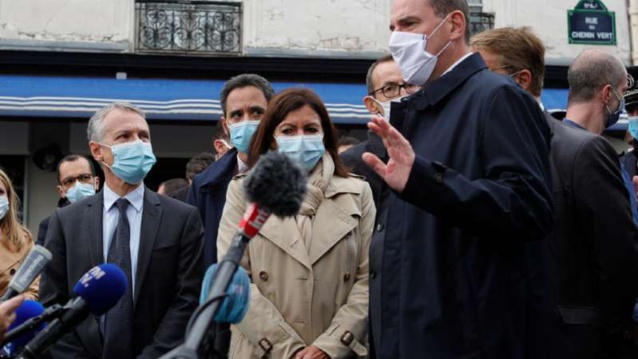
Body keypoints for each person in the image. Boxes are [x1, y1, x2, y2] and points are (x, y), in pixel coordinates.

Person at [361, 1, 554, 358]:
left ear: (454, 25)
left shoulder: (497, 97)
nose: (397, 39)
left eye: (409, 24)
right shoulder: (422, 109)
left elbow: (529, 208)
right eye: (393, 28)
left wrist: (424, 180)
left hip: (465, 342)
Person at [472, 26, 638, 359]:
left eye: (481, 75)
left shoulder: (578, 150)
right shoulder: (470, 147)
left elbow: (617, 259)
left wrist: (610, 334)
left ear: (520, 80)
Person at [217, 88, 375, 359]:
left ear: (325, 134)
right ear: (273, 139)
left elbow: (369, 279)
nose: (300, 138)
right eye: (289, 131)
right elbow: (232, 277)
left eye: (310, 129)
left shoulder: (358, 192)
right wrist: (287, 348)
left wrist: (329, 346)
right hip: (262, 350)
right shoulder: (243, 192)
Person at [40, 102, 204, 359]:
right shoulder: (65, 221)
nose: (137, 143)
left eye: (143, 136)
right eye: (124, 136)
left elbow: (188, 299)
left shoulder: (182, 218)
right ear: (98, 151)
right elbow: (52, 302)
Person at [187, 73, 275, 268]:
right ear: (226, 126)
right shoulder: (204, 186)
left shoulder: (299, 176)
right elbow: (194, 259)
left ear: (272, 118)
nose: (247, 121)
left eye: (256, 112)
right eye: (237, 115)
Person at [562, 49, 638, 226]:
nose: (633, 116)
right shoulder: (601, 158)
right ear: (608, 94)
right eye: (629, 109)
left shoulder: (546, 144)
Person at [342, 54, 420, 203]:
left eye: (410, 85)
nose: (404, 95)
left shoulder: (442, 150)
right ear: (372, 104)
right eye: (389, 89)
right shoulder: (351, 162)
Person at [36, 154, 100, 246]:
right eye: (69, 181)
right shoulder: (50, 225)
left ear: (96, 182)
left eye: (84, 178)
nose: (78, 185)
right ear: (61, 191)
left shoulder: (112, 215)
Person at [0, 169, 39, 301]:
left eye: (0, 192)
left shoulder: (23, 239)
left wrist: (8, 305)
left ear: (9, 198)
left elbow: (34, 291)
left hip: (12, 317)